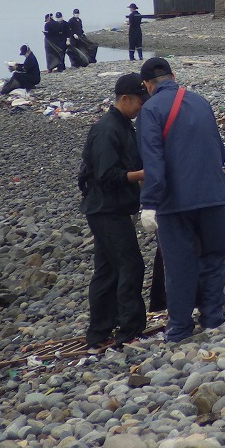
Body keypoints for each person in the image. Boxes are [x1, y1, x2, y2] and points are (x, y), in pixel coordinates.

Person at [136, 58, 225, 342]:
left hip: (175, 202)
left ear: (147, 85)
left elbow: (153, 160)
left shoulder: (150, 110)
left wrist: (149, 203)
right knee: (214, 258)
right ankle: (213, 318)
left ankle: (180, 327)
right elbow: (219, 151)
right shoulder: (201, 102)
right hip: (213, 196)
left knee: (180, 265)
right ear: (173, 76)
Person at [78, 73, 148, 347]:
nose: (142, 107)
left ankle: (99, 331)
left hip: (111, 208)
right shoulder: (108, 129)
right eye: (139, 103)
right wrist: (143, 174)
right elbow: (107, 174)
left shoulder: (124, 125)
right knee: (130, 265)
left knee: (107, 270)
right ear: (125, 99)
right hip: (106, 209)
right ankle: (129, 329)